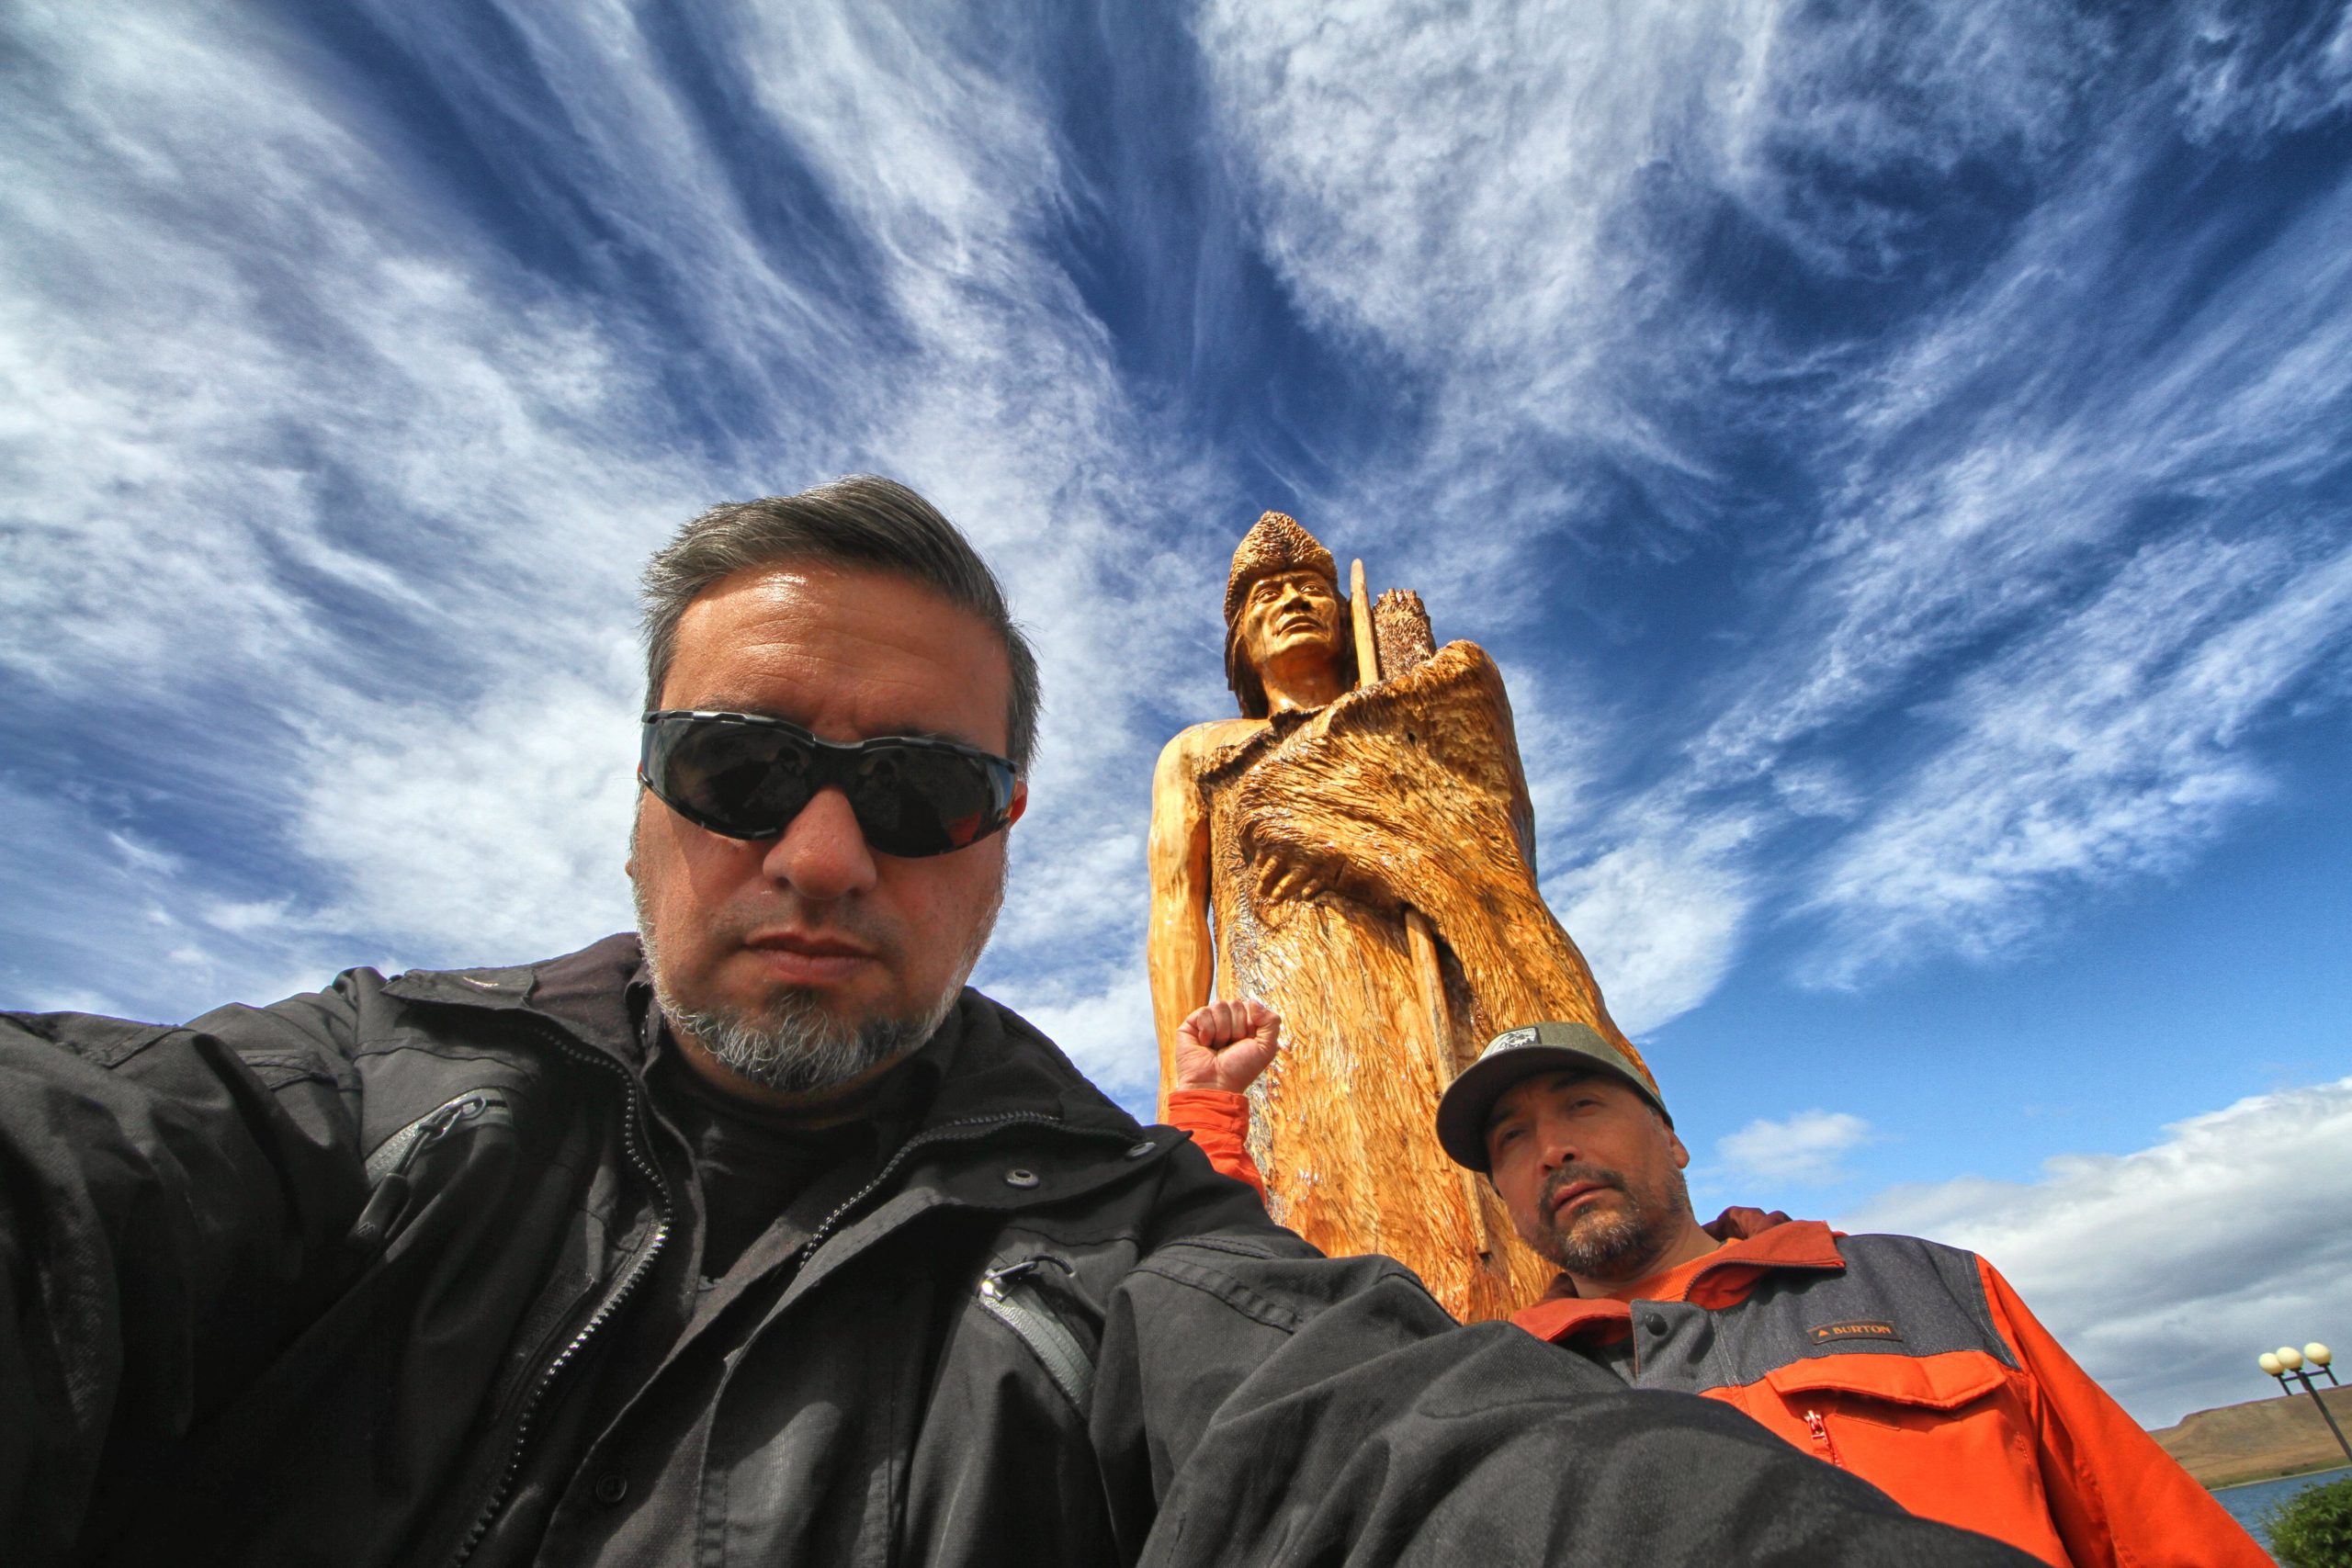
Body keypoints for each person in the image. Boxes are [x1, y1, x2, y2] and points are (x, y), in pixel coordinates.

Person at [0, 477, 2040, 1568]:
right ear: (636, 793)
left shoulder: (1107, 1250)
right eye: (733, 765)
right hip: (1285, 1035)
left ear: (990, 842)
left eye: (915, 795)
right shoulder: (357, 1102)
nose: (816, 853)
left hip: (1395, 1014)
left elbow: (1402, 1458)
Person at [1171, 1009, 2269, 1568]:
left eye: (1580, 1108)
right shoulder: (1512, 1383)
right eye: (1511, 1138)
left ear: (1676, 1139)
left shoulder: (1922, 1283)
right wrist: (1209, 1109)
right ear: (1501, 1196)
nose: (1550, 1149)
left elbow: (2155, 1529)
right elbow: (1257, 1343)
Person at [1148, 510, 1632, 1320]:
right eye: (1266, 596)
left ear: (1345, 617)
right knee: (1323, 1219)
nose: (1293, 601)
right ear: (1239, 641)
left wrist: (1400, 763)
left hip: (1434, 1006)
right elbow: (1174, 912)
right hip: (1293, 1027)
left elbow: (1501, 843)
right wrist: (1185, 1089)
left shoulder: (1399, 717)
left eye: (1310, 588)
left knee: (1491, 1216)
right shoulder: (1203, 752)